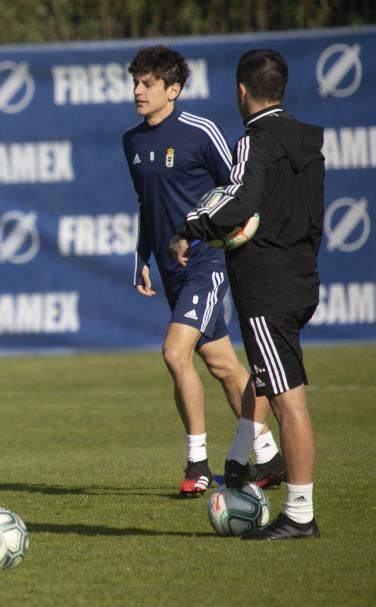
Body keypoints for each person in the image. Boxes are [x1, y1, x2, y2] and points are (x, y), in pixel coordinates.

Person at [171, 49, 324, 539]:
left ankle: (299, 514)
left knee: (288, 403)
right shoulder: (308, 140)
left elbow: (237, 199)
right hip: (302, 278)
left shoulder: (253, 142)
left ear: (242, 91)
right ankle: (241, 459)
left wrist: (191, 226)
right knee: (266, 378)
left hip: (267, 287)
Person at [122, 45, 285, 496]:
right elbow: (146, 206)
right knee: (223, 366)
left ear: (173, 90)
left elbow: (238, 188)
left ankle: (197, 463)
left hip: (206, 262)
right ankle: (269, 456)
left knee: (175, 353)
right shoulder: (132, 142)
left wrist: (229, 240)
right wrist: (141, 258)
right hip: (169, 268)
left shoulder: (201, 131)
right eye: (135, 81)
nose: (138, 90)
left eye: (148, 83)